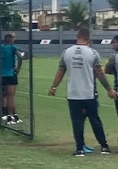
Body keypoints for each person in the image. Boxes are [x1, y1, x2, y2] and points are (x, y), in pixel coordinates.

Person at [49, 27, 115, 156]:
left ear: (77, 37)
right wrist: (108, 89)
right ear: (88, 39)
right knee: (95, 119)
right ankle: (104, 147)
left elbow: (60, 71)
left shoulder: (66, 52)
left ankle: (79, 149)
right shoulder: (93, 53)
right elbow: (100, 73)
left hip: (73, 93)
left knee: (77, 121)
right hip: (89, 93)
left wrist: (54, 87)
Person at [0, 34, 23, 124]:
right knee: (11, 97)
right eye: (13, 38)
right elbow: (20, 57)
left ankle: (8, 114)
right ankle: (10, 116)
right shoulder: (13, 48)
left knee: (4, 95)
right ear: (10, 39)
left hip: (3, 75)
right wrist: (18, 67)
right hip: (11, 73)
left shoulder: (0, 48)